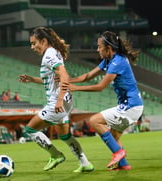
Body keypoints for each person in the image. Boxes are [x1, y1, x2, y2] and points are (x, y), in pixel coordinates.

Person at [62, 31, 144, 171]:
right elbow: (88, 75)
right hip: (132, 105)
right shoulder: (109, 60)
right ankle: (124, 165)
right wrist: (68, 81)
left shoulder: (117, 62)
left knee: (94, 121)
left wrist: (75, 88)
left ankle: (118, 153)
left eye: (100, 47)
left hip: (131, 106)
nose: (97, 49)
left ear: (109, 48)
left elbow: (100, 87)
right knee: (114, 137)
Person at [18, 26, 94, 173]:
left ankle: (55, 155)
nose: (32, 47)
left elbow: (64, 75)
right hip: (66, 101)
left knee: (30, 129)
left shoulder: (48, 55)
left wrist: (58, 100)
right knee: (65, 136)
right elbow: (52, 78)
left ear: (44, 40)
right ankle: (85, 163)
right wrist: (32, 79)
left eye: (34, 43)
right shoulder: (54, 52)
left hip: (58, 102)